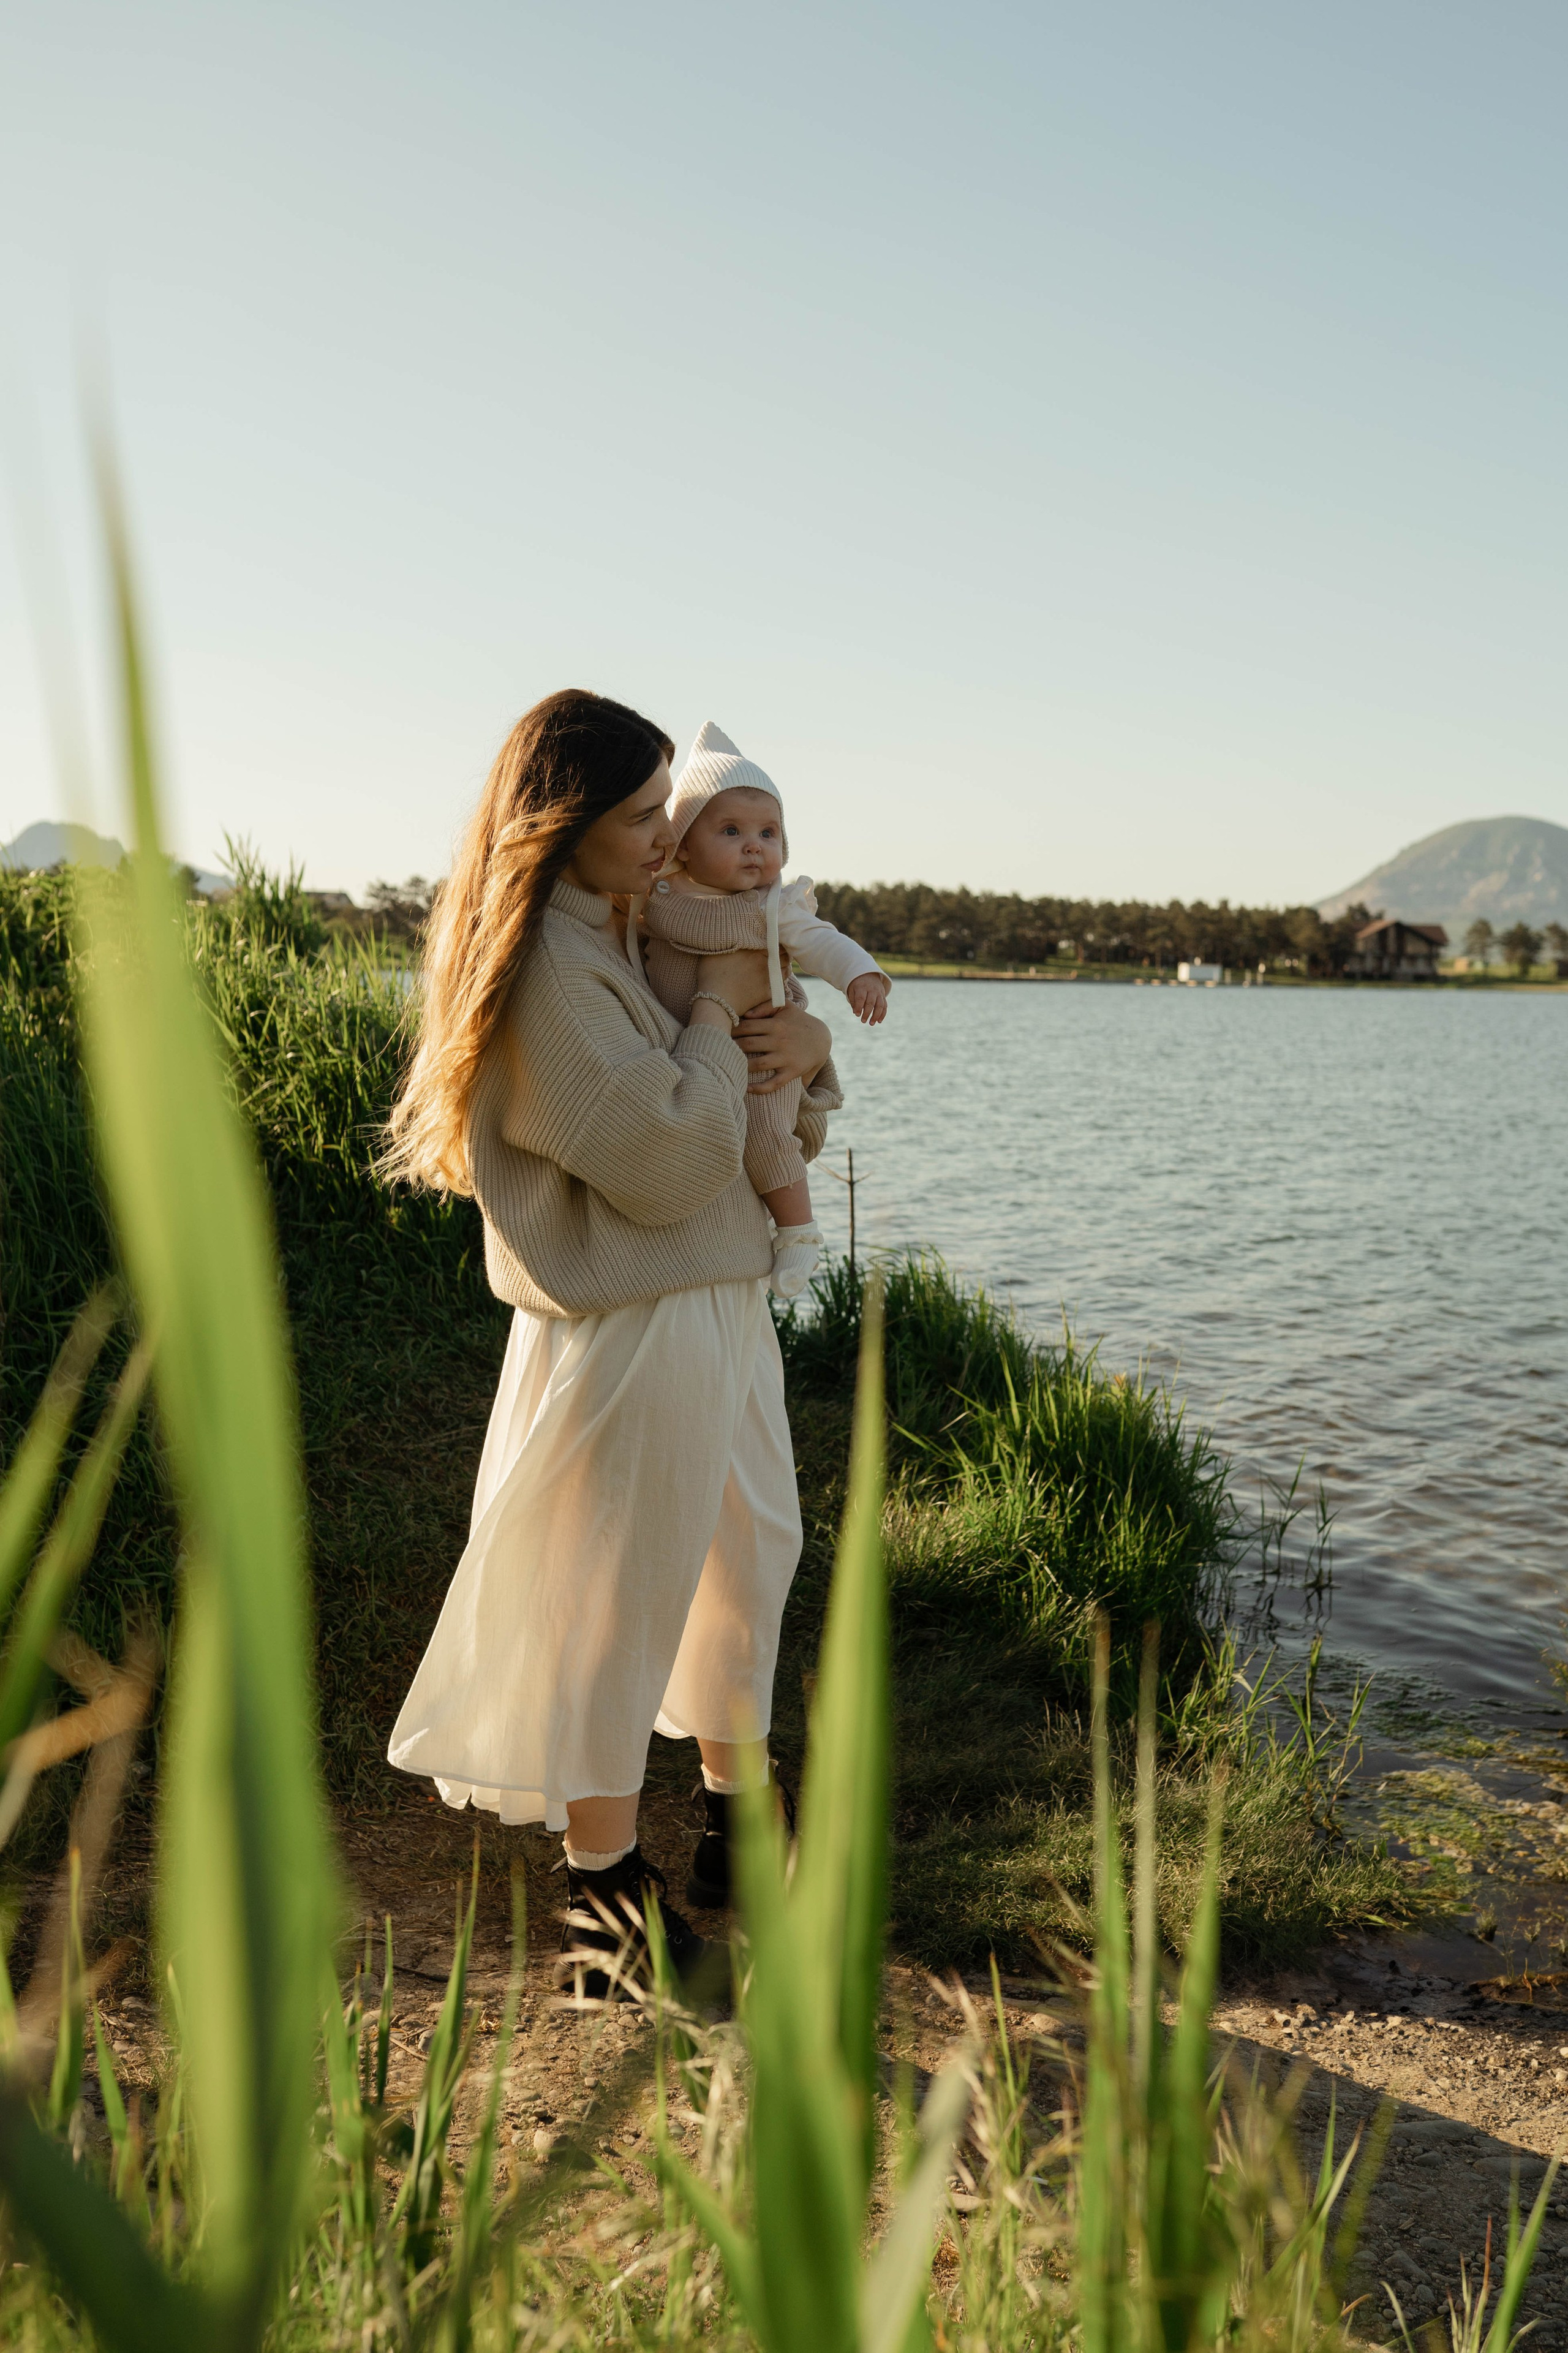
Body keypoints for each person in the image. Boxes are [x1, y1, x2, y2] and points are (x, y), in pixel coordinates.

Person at [382, 689, 839, 1993]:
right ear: (563, 821)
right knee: (612, 1600)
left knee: (745, 1559)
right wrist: (722, 1032)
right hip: (633, 1322)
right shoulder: (549, 973)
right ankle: (607, 1913)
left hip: (713, 1296)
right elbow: (661, 1155)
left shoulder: (619, 934)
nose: (666, 833)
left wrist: (798, 1049)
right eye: (640, 815)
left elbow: (755, 1126)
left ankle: (733, 1823)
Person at [633, 722, 889, 1299]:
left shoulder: (776, 906)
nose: (755, 845)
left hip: (761, 1043)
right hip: (688, 1044)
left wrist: (860, 973)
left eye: (769, 833)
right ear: (684, 844)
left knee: (768, 1135)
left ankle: (798, 1231)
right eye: (732, 830)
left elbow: (825, 942)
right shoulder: (659, 896)